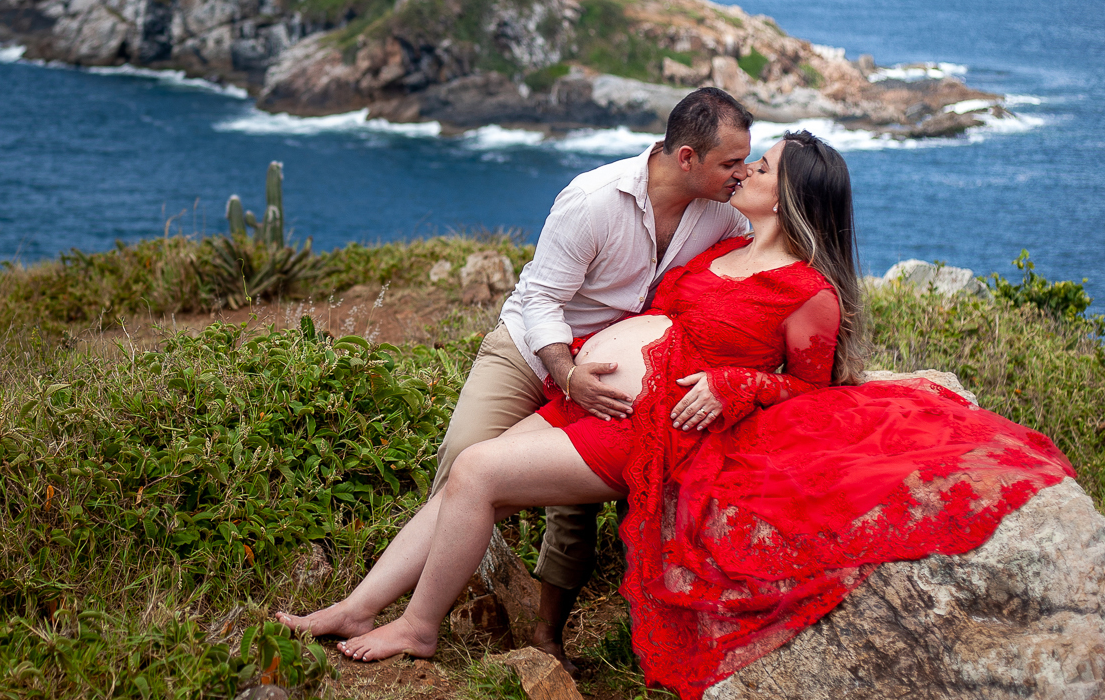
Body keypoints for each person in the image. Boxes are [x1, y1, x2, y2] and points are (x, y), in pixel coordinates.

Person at [277, 133, 1073, 699]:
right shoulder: (717, 241)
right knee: (461, 478)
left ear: (789, 195)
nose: (748, 169)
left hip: (653, 432)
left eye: (762, 166)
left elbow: (811, 392)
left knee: (480, 471)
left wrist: (740, 387)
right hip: (594, 396)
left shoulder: (809, 292)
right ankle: (357, 605)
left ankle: (419, 628)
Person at [370, 87, 757, 670]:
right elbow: (542, 300)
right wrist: (566, 373)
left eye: (747, 161)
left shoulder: (725, 214)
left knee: (574, 519)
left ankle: (546, 636)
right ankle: (447, 608)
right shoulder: (593, 200)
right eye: (730, 162)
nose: (742, 173)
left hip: (610, 382)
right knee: (464, 461)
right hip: (534, 354)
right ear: (686, 158)